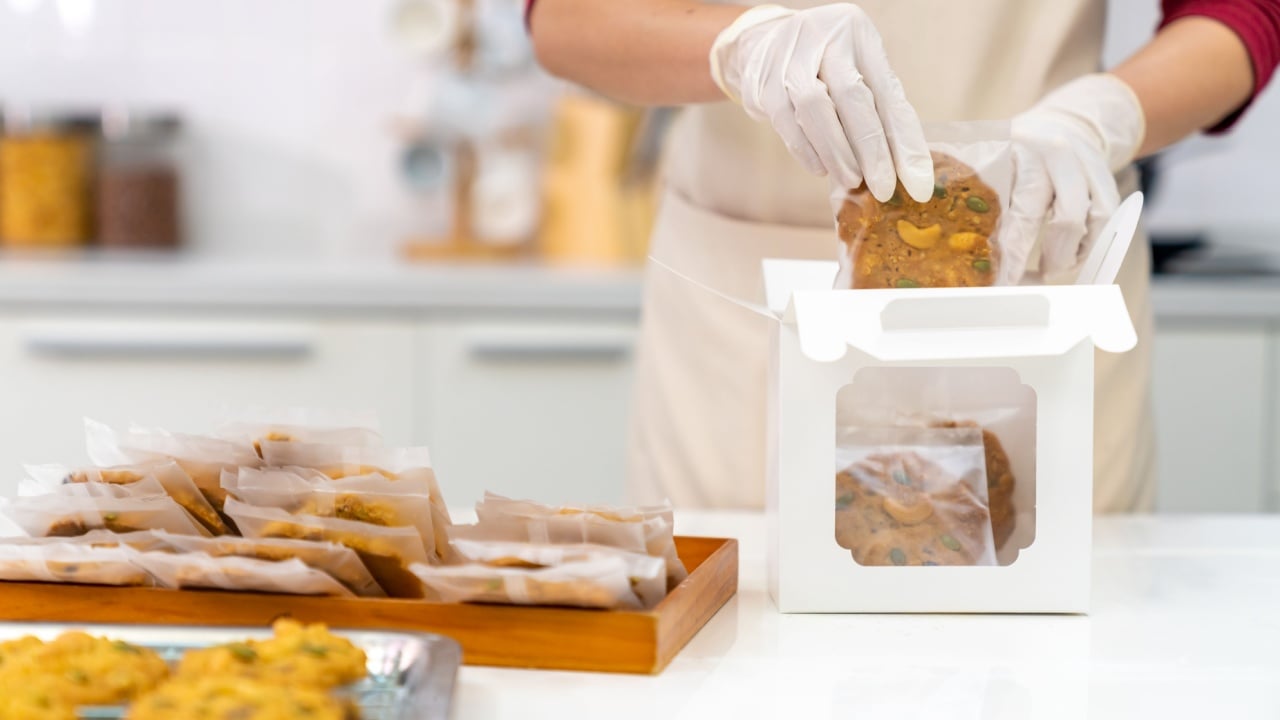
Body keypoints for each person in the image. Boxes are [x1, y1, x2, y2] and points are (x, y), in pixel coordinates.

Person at [527, 1, 1280, 511]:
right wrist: (737, 44)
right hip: (750, 314)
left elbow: (1241, 13)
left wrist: (1106, 115)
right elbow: (563, 18)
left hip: (1040, 265)